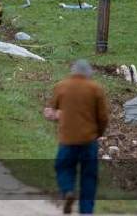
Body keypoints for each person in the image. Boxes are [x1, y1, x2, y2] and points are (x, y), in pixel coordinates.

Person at [45, 59, 108, 214]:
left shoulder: (62, 86)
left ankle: (67, 191)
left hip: (67, 139)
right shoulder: (96, 89)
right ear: (89, 73)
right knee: (89, 176)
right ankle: (86, 211)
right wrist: (98, 133)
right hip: (89, 140)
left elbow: (53, 110)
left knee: (63, 167)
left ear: (73, 71)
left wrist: (57, 117)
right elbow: (103, 117)